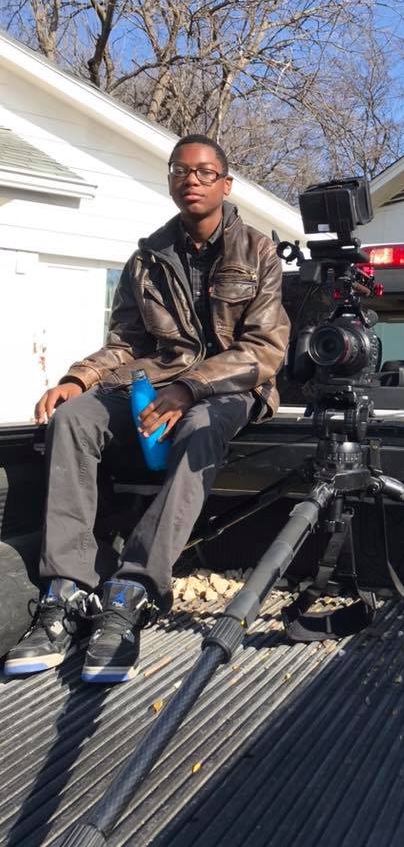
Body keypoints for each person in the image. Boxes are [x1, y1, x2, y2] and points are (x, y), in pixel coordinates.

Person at [4, 134, 290, 683]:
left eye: (206, 172)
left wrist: (191, 389)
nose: (192, 180)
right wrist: (77, 377)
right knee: (74, 417)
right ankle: (64, 592)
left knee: (201, 427)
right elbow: (127, 342)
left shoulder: (258, 250)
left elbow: (263, 351)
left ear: (226, 184)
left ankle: (131, 590)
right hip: (157, 382)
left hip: (230, 389)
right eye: (181, 171)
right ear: (170, 181)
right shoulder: (148, 256)